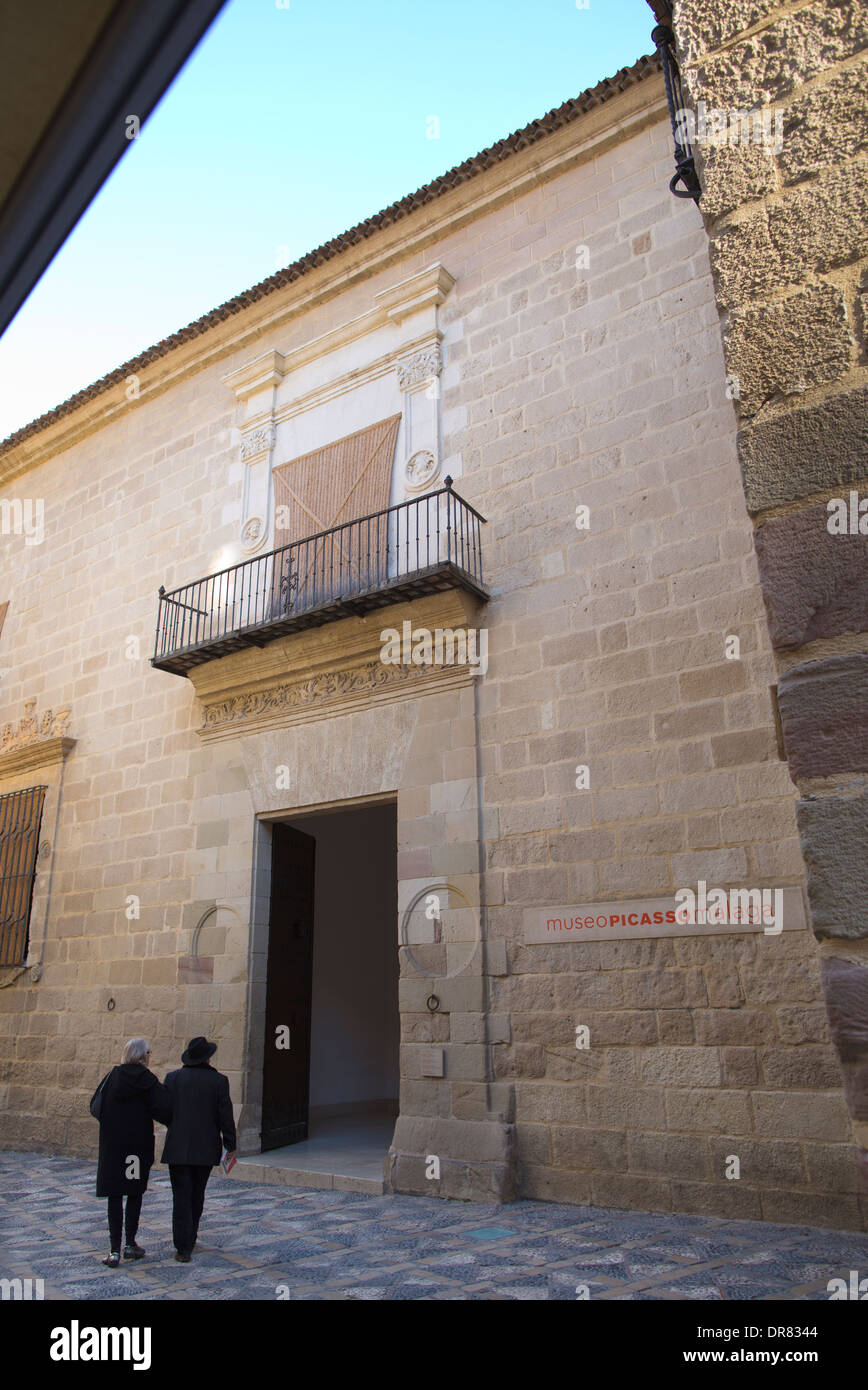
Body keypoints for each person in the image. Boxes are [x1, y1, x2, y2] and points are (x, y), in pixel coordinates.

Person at [93, 1037, 172, 1267]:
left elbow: (96, 1106)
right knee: (134, 1191)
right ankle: (130, 1243)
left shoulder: (113, 1076)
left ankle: (113, 1250)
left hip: (114, 1146)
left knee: (115, 1195)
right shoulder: (146, 1079)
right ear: (142, 1055)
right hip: (135, 1149)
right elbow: (164, 1107)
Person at [161, 1036, 236, 1262]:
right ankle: (190, 1237)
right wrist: (230, 1144)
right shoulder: (218, 1081)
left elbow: (164, 1111)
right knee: (197, 1194)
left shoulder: (172, 1079)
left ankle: (182, 1245)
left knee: (180, 1196)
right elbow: (226, 1116)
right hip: (205, 1147)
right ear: (207, 1057)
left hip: (177, 1147)